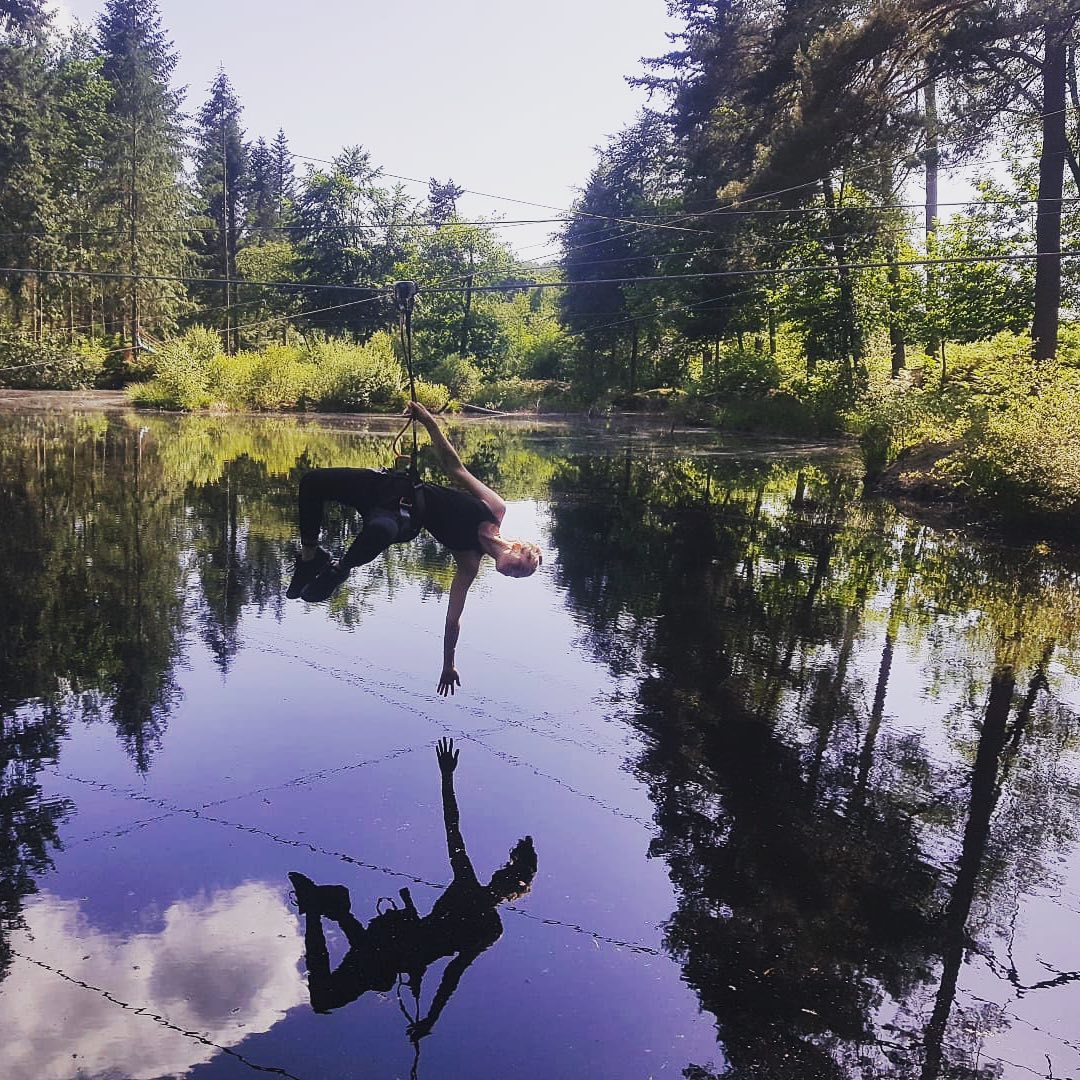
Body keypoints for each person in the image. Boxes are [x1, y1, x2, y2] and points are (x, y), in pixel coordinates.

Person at [285, 401, 543, 695]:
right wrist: (429, 421)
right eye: (520, 566)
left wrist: (449, 663)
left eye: (518, 576)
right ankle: (310, 557)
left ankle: (339, 570)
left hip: (402, 518)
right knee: (312, 482)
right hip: (392, 488)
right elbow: (454, 466)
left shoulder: (469, 562)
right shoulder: (495, 508)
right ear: (518, 546)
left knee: (380, 530)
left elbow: (453, 619)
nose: (514, 573)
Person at [288, 738, 537, 1041]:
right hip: (397, 947)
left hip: (397, 948)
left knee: (334, 989)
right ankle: (323, 907)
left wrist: (431, 1019)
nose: (502, 877)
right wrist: (447, 778)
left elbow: (453, 974)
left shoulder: (480, 909)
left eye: (508, 876)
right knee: (327, 996)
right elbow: (452, 826)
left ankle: (330, 906)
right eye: (506, 873)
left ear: (509, 887)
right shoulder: (475, 899)